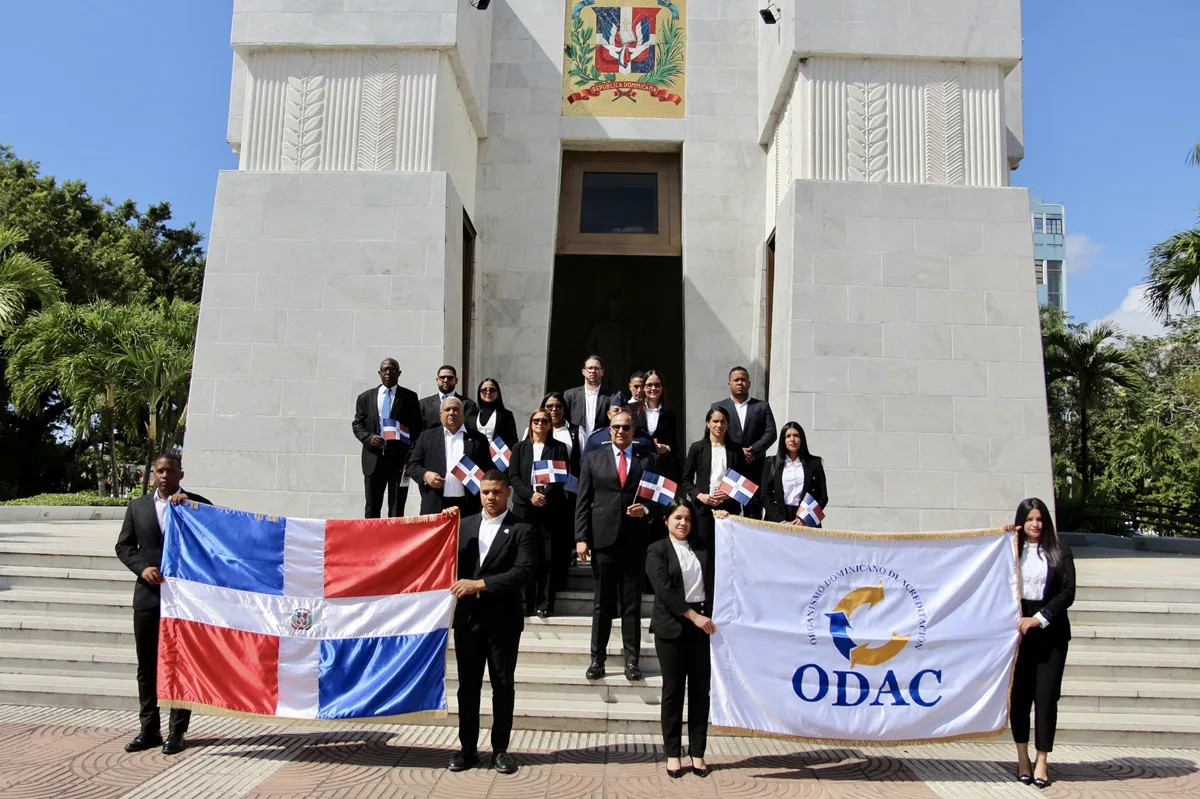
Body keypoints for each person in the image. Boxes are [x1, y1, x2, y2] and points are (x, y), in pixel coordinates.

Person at [114, 453, 212, 756]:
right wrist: (142, 567)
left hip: (184, 602)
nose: (164, 475)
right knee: (147, 667)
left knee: (180, 665)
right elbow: (124, 546)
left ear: (181, 474)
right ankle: (149, 729)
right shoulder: (138, 507)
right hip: (148, 598)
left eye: (170, 470)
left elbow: (216, 541)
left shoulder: (197, 504)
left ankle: (177, 732)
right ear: (153, 474)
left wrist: (193, 509)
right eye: (159, 471)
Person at [448, 470, 535, 775]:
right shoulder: (465, 526)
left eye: (496, 492)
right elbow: (444, 557)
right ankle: (467, 749)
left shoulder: (522, 528)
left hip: (503, 622)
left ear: (508, 492)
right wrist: (443, 524)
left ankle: (500, 750)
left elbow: (522, 572)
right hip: (468, 622)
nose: (490, 498)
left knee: (502, 686)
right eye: (486, 492)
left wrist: (478, 584)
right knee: (467, 688)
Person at [575, 410, 655, 681]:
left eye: (626, 427)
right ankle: (597, 659)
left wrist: (644, 511)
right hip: (603, 540)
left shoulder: (648, 460)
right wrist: (581, 537)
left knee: (631, 604)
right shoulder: (593, 459)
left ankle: (632, 661)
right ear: (609, 431)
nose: (621, 431)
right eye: (616, 427)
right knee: (603, 603)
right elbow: (583, 501)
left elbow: (659, 499)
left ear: (633, 432)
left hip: (633, 541)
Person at [645, 499, 716, 779]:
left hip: (702, 628)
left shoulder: (702, 549)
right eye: (677, 518)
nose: (682, 523)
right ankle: (672, 754)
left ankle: (697, 753)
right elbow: (663, 590)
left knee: (700, 692)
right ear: (666, 520)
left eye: (687, 518)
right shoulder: (656, 550)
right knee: (673, 692)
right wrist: (692, 616)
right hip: (672, 627)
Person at [1008, 497, 1075, 789]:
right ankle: (1022, 758)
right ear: (1021, 522)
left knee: (1046, 699)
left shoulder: (1059, 551)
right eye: (1030, 519)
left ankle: (1042, 760)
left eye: (1040, 518)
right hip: (1018, 636)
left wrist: (1039, 617)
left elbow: (1067, 593)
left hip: (1051, 634)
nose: (1035, 524)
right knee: (1019, 697)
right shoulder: (1009, 552)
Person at [509, 408, 570, 617]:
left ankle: (544, 603)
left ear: (549, 425)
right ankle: (526, 602)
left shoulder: (559, 448)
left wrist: (543, 496)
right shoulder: (519, 447)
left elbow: (561, 476)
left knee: (547, 555)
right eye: (536, 420)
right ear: (530, 423)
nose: (540, 424)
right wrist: (530, 495)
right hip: (524, 507)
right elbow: (514, 476)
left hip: (550, 507)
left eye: (545, 421)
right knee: (525, 554)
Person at [351, 358, 422, 518]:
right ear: (379, 373)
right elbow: (357, 424)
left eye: (392, 369)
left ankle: (394, 541)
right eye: (385, 370)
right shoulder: (366, 397)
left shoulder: (409, 397)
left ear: (399, 373)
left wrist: (410, 455)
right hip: (373, 459)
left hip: (399, 461)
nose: (388, 373)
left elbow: (416, 428)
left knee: (397, 506)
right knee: (372, 506)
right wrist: (368, 438)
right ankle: (371, 541)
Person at [405, 397, 491, 515]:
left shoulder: (479, 439)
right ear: (440, 414)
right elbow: (411, 466)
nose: (452, 412)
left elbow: (487, 469)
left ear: (462, 413)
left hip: (468, 505)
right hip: (435, 503)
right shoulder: (426, 437)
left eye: (456, 409)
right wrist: (426, 475)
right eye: (447, 409)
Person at [714, 366, 777, 519]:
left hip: (754, 468)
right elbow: (716, 434)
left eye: (743, 379)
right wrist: (737, 451)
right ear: (729, 384)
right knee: (728, 511)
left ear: (749, 383)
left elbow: (771, 433)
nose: (740, 383)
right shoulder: (719, 407)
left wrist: (753, 451)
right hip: (729, 467)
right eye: (736, 380)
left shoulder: (762, 406)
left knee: (753, 512)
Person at [680, 405, 746, 545]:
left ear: (727, 425)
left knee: (727, 549)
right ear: (707, 424)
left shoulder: (735, 450)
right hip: (703, 509)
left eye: (723, 422)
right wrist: (700, 495)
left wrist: (730, 493)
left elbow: (743, 480)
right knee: (704, 550)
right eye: (715, 421)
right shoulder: (697, 448)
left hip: (729, 508)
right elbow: (686, 480)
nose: (719, 425)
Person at [762, 422, 828, 525]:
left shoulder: (815, 463)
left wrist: (805, 518)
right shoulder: (771, 463)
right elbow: (765, 495)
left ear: (802, 439)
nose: (792, 439)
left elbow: (823, 496)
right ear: (783, 440)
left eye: (796, 435)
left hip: (804, 518)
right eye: (788, 436)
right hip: (777, 518)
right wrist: (781, 521)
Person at [466, 377, 519, 460]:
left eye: (492, 390)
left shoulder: (506, 415)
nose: (488, 392)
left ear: (497, 394)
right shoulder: (471, 414)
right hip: (475, 460)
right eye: (484, 390)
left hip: (498, 460)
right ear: (479, 393)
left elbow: (513, 440)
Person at [564, 355, 614, 442]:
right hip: (575, 444)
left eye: (596, 368)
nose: (593, 371)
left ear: (602, 372)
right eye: (590, 368)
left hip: (601, 445)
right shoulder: (570, 395)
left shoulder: (611, 396)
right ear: (584, 371)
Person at [419, 365, 478, 432]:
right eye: (442, 377)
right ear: (437, 380)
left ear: (456, 380)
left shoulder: (468, 405)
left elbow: (471, 430)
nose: (446, 380)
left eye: (450, 377)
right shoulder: (423, 404)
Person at [641, 369, 679, 475]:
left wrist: (666, 448)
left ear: (662, 388)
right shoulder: (634, 411)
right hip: (638, 468)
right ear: (643, 388)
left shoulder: (670, 414)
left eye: (657, 385)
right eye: (649, 385)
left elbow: (674, 446)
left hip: (661, 468)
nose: (653, 388)